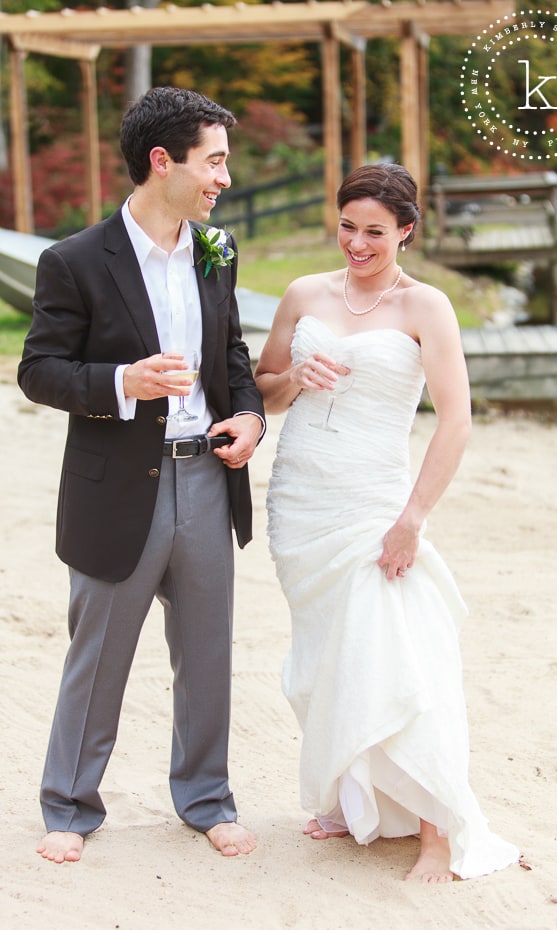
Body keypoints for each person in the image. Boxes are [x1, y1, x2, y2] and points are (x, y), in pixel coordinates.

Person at [18, 86, 265, 864]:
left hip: (206, 480)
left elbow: (232, 359)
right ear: (164, 162)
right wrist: (122, 382)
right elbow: (38, 372)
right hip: (116, 487)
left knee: (208, 655)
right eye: (214, 161)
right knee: (98, 659)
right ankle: (68, 805)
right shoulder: (74, 260)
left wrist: (252, 418)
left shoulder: (217, 253)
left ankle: (205, 799)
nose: (225, 177)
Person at [254, 163, 520, 882]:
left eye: (375, 232)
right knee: (325, 655)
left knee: (400, 654)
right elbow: (264, 389)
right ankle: (354, 794)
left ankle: (437, 830)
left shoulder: (426, 307)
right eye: (347, 228)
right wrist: (292, 381)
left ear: (406, 230)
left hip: (374, 502)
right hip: (300, 500)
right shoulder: (305, 293)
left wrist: (413, 519)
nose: (357, 244)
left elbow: (456, 422)